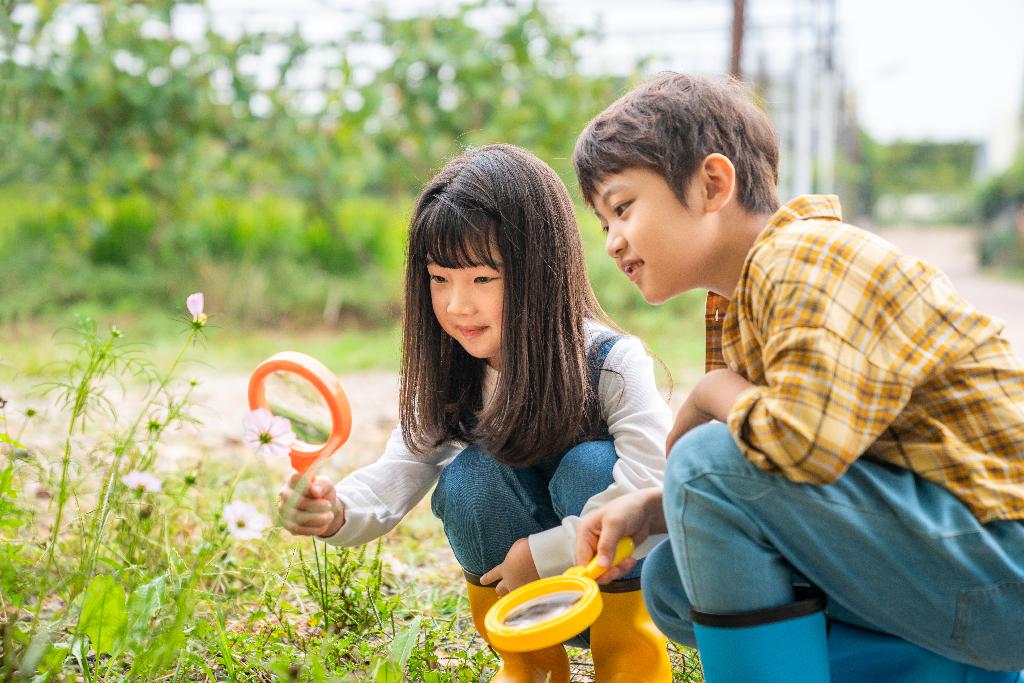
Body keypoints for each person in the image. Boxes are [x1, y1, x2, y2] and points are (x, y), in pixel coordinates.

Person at [570, 72, 1024, 682]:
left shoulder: (809, 259)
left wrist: (709, 394)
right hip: (960, 568)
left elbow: (797, 445)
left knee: (705, 467)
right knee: (675, 580)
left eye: (622, 208)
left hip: (1002, 567)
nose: (613, 241)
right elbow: (792, 474)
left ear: (712, 184)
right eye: (603, 223)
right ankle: (951, 672)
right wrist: (654, 509)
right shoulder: (740, 300)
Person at [278, 144, 674, 683]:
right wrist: (337, 512)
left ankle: (629, 666)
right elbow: (399, 472)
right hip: (523, 601)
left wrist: (543, 554)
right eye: (440, 279)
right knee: (467, 479)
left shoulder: (611, 364)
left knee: (590, 465)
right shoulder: (453, 377)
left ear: (541, 272)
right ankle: (530, 669)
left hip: (620, 582)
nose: (457, 305)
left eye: (482, 279)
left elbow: (653, 483)